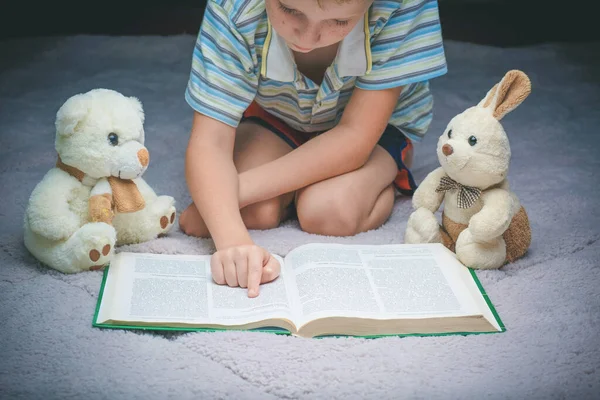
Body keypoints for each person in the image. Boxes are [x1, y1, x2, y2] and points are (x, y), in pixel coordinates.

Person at [179, 0, 447, 297]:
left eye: (340, 22)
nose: (306, 38)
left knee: (328, 211)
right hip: (280, 113)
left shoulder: (402, 5)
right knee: (257, 212)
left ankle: (385, 172)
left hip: (374, 130)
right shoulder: (234, 8)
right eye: (290, 10)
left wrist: (229, 194)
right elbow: (211, 141)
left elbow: (355, 136)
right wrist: (232, 242)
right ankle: (291, 187)